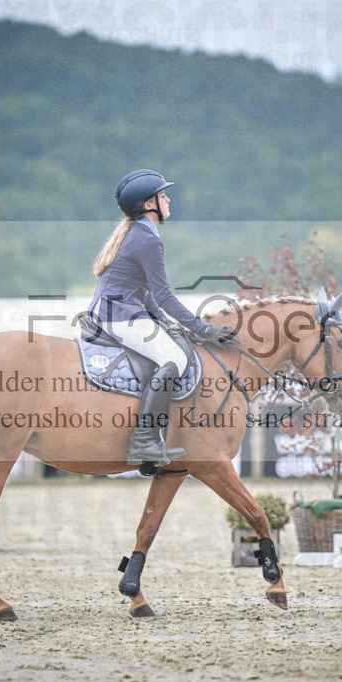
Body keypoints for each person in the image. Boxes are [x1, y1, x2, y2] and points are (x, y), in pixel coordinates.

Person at [89, 169, 234, 466]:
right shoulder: (148, 240)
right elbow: (165, 295)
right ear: (148, 205)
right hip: (120, 316)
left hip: (113, 311)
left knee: (171, 342)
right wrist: (203, 329)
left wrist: (166, 322)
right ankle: (144, 440)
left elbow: (148, 292)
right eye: (163, 195)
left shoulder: (138, 233)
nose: (169, 199)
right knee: (175, 360)